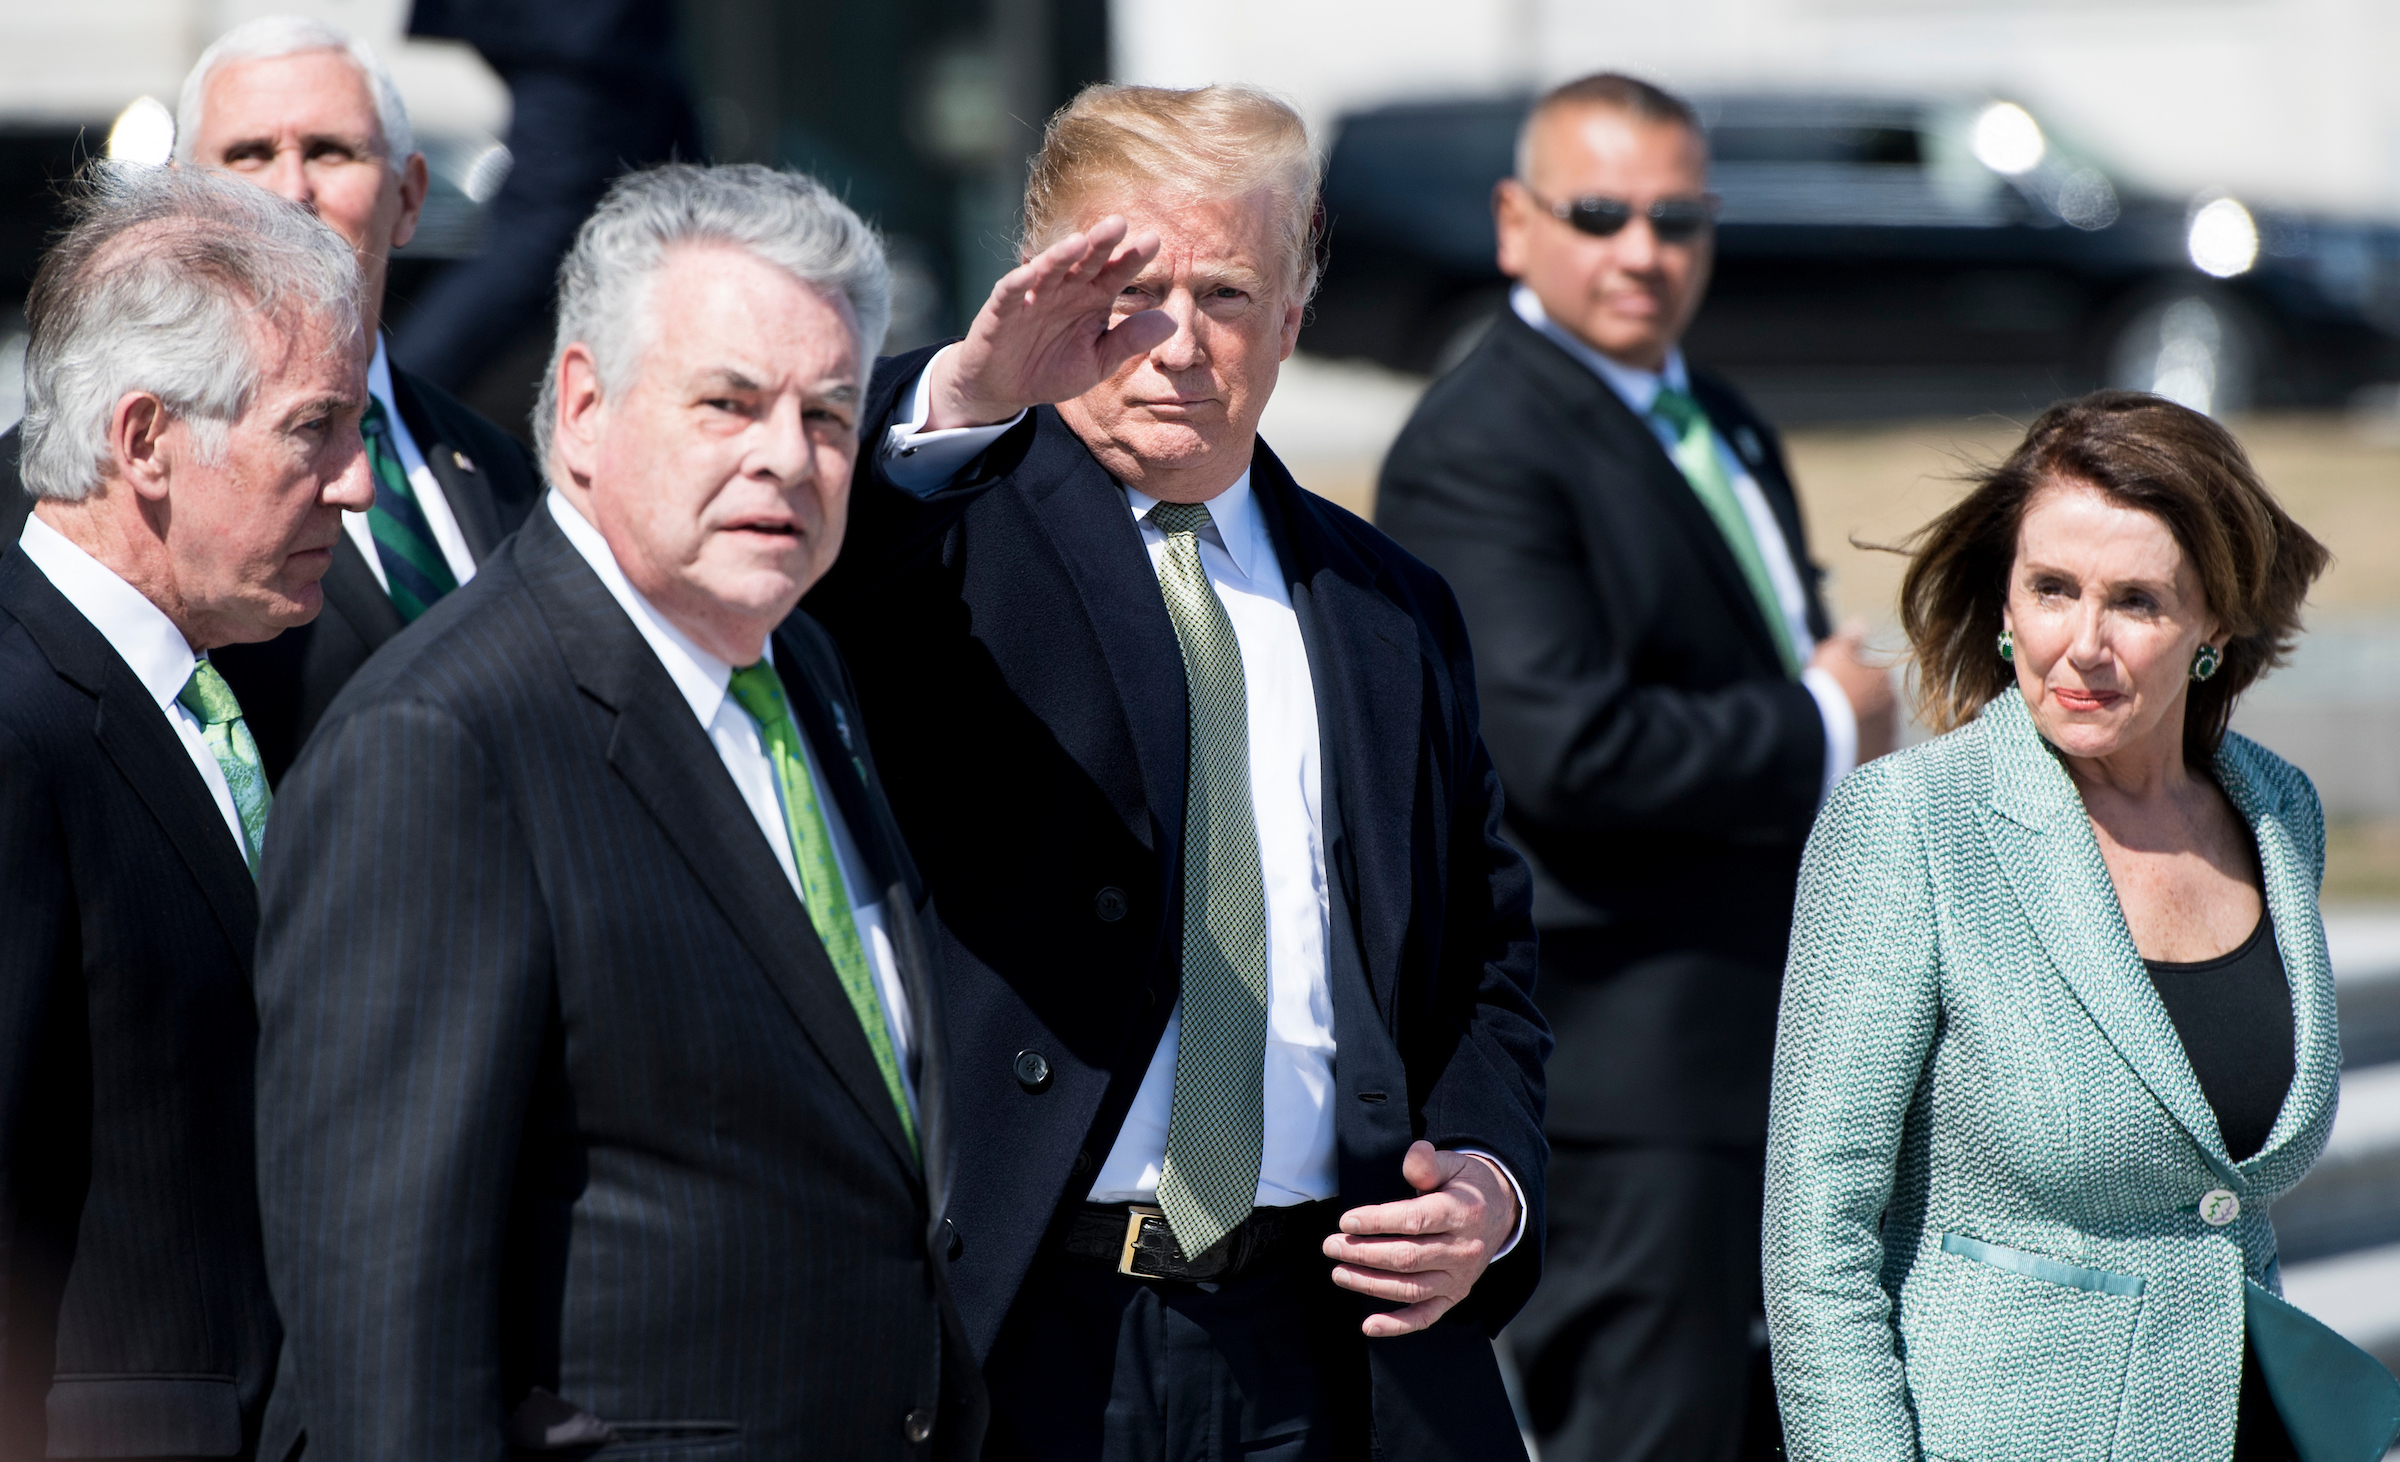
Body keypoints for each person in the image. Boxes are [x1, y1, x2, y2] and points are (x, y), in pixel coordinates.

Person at [804, 84, 1548, 1461]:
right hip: (1028, 1331)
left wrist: (1491, 1187)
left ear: (1295, 310)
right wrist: (962, 398)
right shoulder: (944, 522)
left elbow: (1482, 960)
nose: (1178, 346)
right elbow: (833, 592)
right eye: (1128, 289)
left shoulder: (1387, 604)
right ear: (1038, 288)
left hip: (1328, 1338)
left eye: (1226, 290)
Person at [251, 164, 982, 1458]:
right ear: (584, 407)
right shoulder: (441, 743)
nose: (787, 455)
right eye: (728, 402)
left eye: (827, 413)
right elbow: (383, 1324)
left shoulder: (798, 665)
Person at [1374, 72, 1895, 1460]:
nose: (1641, 251)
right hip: (1627, 1084)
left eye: (1678, 218)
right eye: (1599, 213)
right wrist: (1827, 720)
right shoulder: (1482, 441)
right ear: (1512, 223)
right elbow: (1567, 750)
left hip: (1772, 1051)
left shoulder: (1715, 411)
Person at [1764, 391, 2381, 1460]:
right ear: (2006, 605)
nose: (2081, 644)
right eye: (2051, 589)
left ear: (2214, 627)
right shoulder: (1907, 824)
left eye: (2137, 602)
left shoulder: (2279, 813)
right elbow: (1816, 1244)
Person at [0, 164, 372, 1460]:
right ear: (145, 438)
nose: (356, 481)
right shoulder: (19, 721)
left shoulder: (200, 688)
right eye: (313, 430)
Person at [1, 15, 547, 780]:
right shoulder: (60, 482)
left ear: (410, 194)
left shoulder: (504, 468)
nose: (292, 190)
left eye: (331, 150)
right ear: (178, 196)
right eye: (248, 154)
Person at [394, 0, 702, 395]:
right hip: (579, 34)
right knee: (536, 237)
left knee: (685, 219)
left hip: (607, 36)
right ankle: (382, 407)